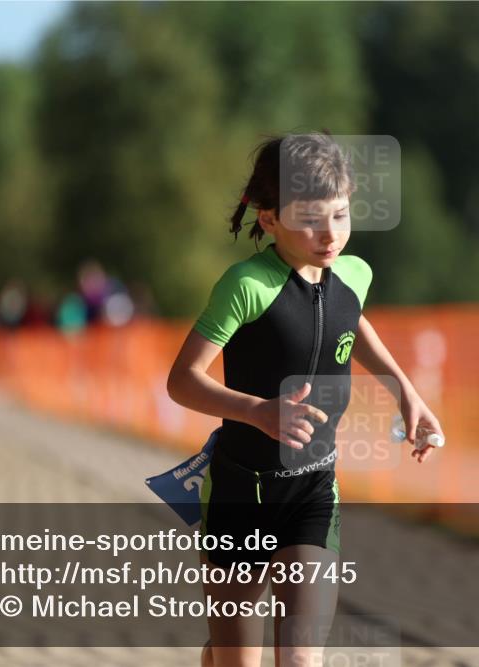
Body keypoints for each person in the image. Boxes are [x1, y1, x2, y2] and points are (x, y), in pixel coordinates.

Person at [166, 132, 444, 667]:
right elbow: (182, 380)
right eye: (311, 219)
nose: (330, 234)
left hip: (314, 490)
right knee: (236, 661)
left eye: (340, 214)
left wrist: (405, 392)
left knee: (299, 659)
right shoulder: (246, 285)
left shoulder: (354, 274)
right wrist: (257, 412)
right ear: (269, 219)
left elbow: (351, 324)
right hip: (240, 493)